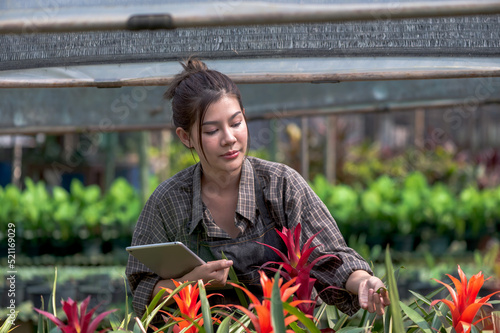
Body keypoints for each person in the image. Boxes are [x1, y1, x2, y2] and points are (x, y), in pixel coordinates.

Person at [126, 58, 390, 320]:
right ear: (186, 137)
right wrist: (190, 282)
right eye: (212, 130)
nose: (229, 138)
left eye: (236, 122)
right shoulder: (168, 201)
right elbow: (140, 290)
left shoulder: (282, 185)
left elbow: (331, 259)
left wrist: (364, 281)